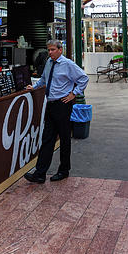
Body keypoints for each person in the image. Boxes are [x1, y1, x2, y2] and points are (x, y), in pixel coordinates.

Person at [24, 39, 89, 183]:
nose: (50, 52)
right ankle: (40, 174)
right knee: (47, 138)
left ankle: (64, 170)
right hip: (51, 104)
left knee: (65, 138)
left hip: (63, 105)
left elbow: (84, 78)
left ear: (60, 50)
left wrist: (73, 94)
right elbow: (44, 79)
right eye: (49, 50)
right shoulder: (49, 62)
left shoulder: (68, 64)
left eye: (53, 49)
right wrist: (34, 87)